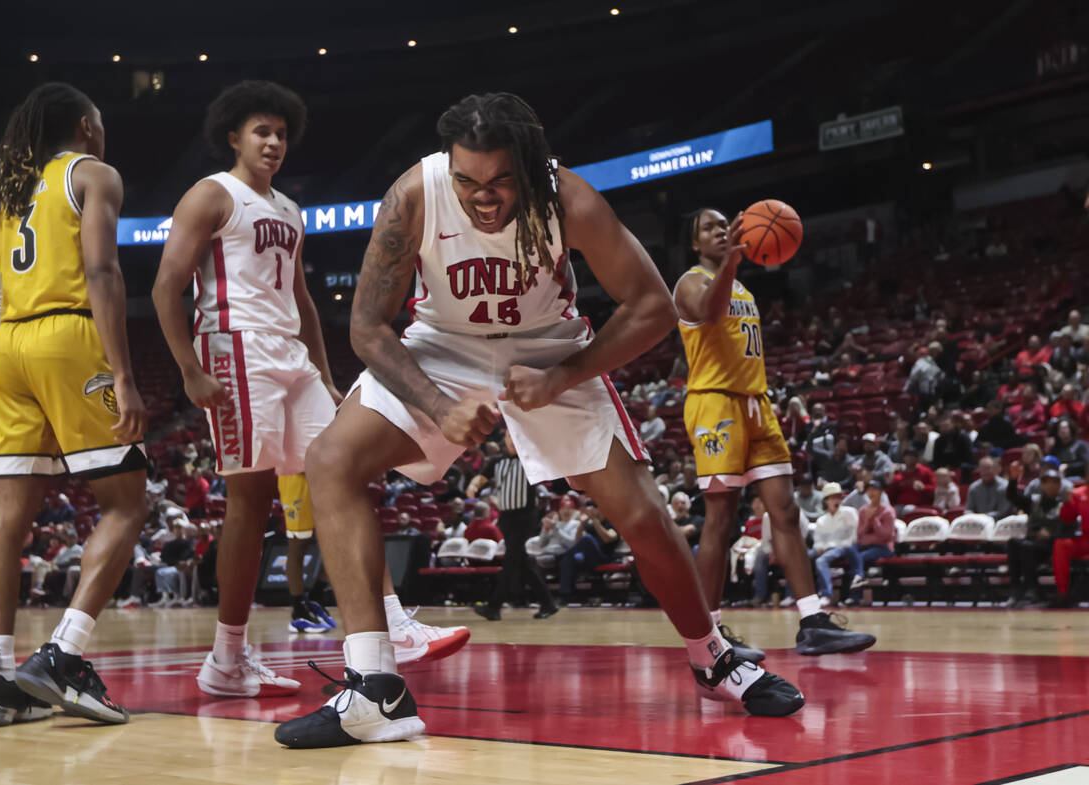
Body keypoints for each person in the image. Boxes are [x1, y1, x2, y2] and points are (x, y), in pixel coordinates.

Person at [278, 93, 805, 749]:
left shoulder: (569, 199)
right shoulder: (415, 194)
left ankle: (712, 654)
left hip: (550, 348)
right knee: (332, 460)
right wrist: (441, 406)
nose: (483, 197)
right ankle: (374, 688)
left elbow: (651, 306)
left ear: (528, 165)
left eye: (499, 181)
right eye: (468, 181)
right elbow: (365, 326)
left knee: (641, 511)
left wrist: (562, 376)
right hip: (441, 350)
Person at [152, 81, 338, 698]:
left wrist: (327, 373)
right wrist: (188, 369)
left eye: (282, 134)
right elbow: (165, 287)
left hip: (290, 350)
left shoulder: (289, 208)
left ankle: (389, 626)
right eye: (263, 131)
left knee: (340, 468)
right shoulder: (213, 194)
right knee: (252, 500)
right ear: (234, 136)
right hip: (235, 347)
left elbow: (304, 300)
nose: (274, 142)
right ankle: (225, 658)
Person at [0, 82, 148, 727]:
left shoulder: (7, 188)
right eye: (98, 122)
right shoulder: (92, 173)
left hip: (10, 345)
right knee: (127, 502)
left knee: (8, 514)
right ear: (85, 125)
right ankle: (63, 656)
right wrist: (124, 376)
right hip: (69, 335)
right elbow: (102, 272)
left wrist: (8, 366)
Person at [674, 206, 873, 662]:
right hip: (715, 403)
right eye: (709, 227)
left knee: (785, 510)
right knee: (720, 520)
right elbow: (708, 310)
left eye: (725, 225)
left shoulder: (741, 285)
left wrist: (733, 269)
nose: (721, 231)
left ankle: (813, 621)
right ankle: (712, 636)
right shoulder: (690, 282)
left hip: (756, 403)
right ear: (695, 244)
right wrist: (731, 265)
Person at [471, 433, 558, 620]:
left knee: (510, 561)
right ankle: (548, 603)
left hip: (525, 516)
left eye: (514, 437)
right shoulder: (496, 462)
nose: (511, 440)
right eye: (508, 437)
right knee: (522, 562)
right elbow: (482, 478)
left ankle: (493, 607)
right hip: (506, 518)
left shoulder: (528, 461)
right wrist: (472, 486)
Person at [1005, 466, 1074, 606]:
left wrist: (1051, 535)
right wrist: (1013, 479)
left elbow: (1071, 529)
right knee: (1013, 542)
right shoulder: (1033, 501)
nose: (1051, 485)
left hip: (1052, 546)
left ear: (1060, 485)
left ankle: (1033, 589)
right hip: (1033, 544)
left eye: (1055, 482)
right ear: (1041, 484)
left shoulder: (1065, 504)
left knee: (1026, 547)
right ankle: (1016, 588)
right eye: (1047, 482)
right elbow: (1012, 497)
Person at [279, 475, 336, 634]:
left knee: (337, 541)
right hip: (296, 474)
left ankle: (317, 595)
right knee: (298, 545)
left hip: (324, 472)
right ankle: (298, 611)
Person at [811, 483, 864, 603]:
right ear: (826, 501)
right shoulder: (821, 520)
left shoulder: (849, 512)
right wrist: (821, 548)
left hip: (846, 547)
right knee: (809, 557)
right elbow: (817, 541)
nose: (836, 500)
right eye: (832, 497)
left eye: (838, 497)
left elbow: (854, 535)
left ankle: (826, 594)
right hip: (829, 549)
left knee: (821, 561)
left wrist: (840, 545)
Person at [1051, 464, 1089, 608]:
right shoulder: (1078, 493)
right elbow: (1067, 519)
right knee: (1061, 545)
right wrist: (1067, 504)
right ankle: (1063, 593)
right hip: (1084, 540)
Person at [855, 481, 896, 569]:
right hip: (865, 545)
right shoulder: (863, 510)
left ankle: (859, 578)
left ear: (881, 492)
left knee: (859, 557)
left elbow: (886, 535)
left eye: (874, 490)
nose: (871, 492)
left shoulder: (888, 511)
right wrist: (867, 521)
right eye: (869, 490)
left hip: (883, 547)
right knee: (848, 552)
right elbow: (860, 533)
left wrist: (874, 520)